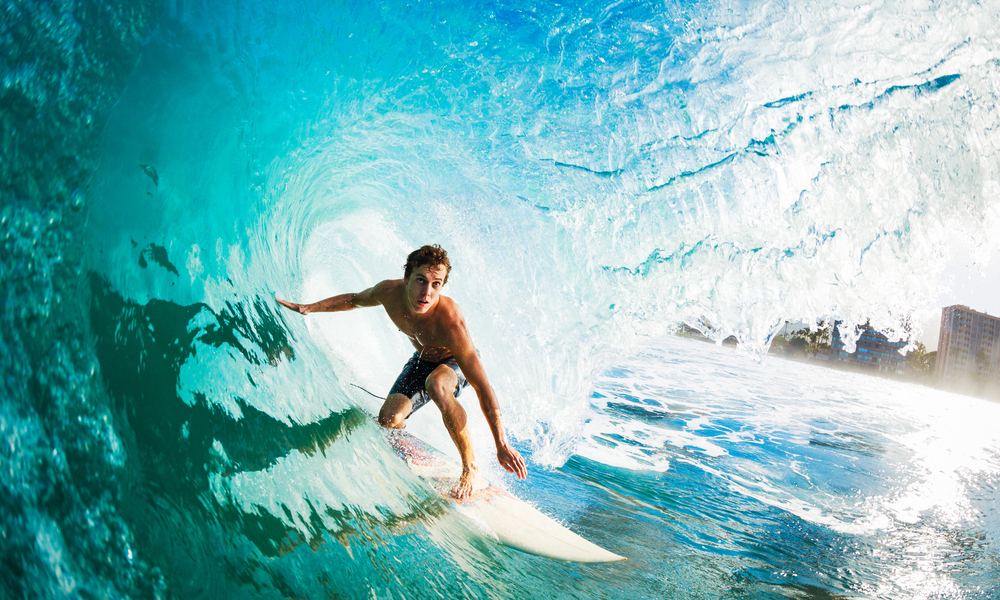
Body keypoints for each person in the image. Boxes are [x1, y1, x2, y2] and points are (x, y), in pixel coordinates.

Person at [276, 244, 527, 498]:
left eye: (436, 284)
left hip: (452, 365)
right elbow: (354, 300)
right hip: (422, 361)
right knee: (388, 419)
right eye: (421, 281)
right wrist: (309, 308)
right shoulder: (389, 292)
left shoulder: (451, 322)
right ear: (407, 277)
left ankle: (470, 467)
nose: (427, 293)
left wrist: (501, 444)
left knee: (437, 384)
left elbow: (482, 386)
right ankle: (406, 447)